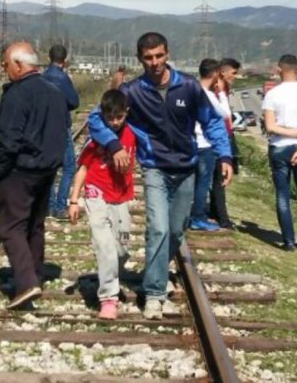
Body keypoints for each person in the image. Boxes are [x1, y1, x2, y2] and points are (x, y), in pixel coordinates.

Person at [87, 32, 233, 320]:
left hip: (186, 167)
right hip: (154, 167)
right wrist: (114, 144)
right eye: (148, 57)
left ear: (167, 55)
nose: (154, 62)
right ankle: (154, 292)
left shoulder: (189, 87)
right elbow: (96, 117)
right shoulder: (133, 91)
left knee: (176, 231)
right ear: (140, 59)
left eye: (159, 56)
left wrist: (225, 155)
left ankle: (156, 273)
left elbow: (213, 121)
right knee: (158, 229)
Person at [0, 42, 69, 309]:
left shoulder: (17, 94)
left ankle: (26, 282)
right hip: (46, 170)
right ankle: (35, 275)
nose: (4, 69)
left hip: (18, 170)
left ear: (19, 64)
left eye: (6, 64)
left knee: (11, 227)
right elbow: (62, 131)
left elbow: (6, 138)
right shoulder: (55, 92)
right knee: (35, 225)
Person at [67, 89, 135, 320]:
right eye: (110, 118)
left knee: (123, 248)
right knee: (105, 246)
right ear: (103, 116)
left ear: (127, 113)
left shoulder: (133, 134)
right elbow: (83, 169)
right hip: (96, 195)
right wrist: (74, 200)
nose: (115, 123)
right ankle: (108, 298)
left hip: (122, 197)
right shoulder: (97, 139)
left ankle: (112, 274)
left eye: (119, 117)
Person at [261, 54, 297, 252]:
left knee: (282, 195)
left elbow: (270, 126)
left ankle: (289, 242)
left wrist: (289, 132)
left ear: (279, 70)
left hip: (279, 147)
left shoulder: (272, 94)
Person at [43, 44, 80, 220]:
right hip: (61, 126)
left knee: (49, 166)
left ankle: (49, 205)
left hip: (43, 127)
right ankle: (59, 205)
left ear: (49, 58)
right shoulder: (63, 78)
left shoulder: (42, 77)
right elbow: (74, 101)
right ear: (64, 61)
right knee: (69, 166)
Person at [189, 59, 225, 232]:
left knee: (189, 182)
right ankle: (198, 217)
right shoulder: (210, 96)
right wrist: (222, 93)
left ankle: (185, 214)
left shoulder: (190, 91)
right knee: (203, 183)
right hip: (205, 144)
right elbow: (224, 116)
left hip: (189, 143)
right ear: (216, 73)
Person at [208, 58, 242, 229]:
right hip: (219, 136)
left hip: (226, 134)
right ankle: (223, 217)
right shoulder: (215, 89)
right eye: (233, 73)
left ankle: (215, 211)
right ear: (223, 72)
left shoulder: (225, 88)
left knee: (220, 176)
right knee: (220, 176)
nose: (235, 76)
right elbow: (223, 114)